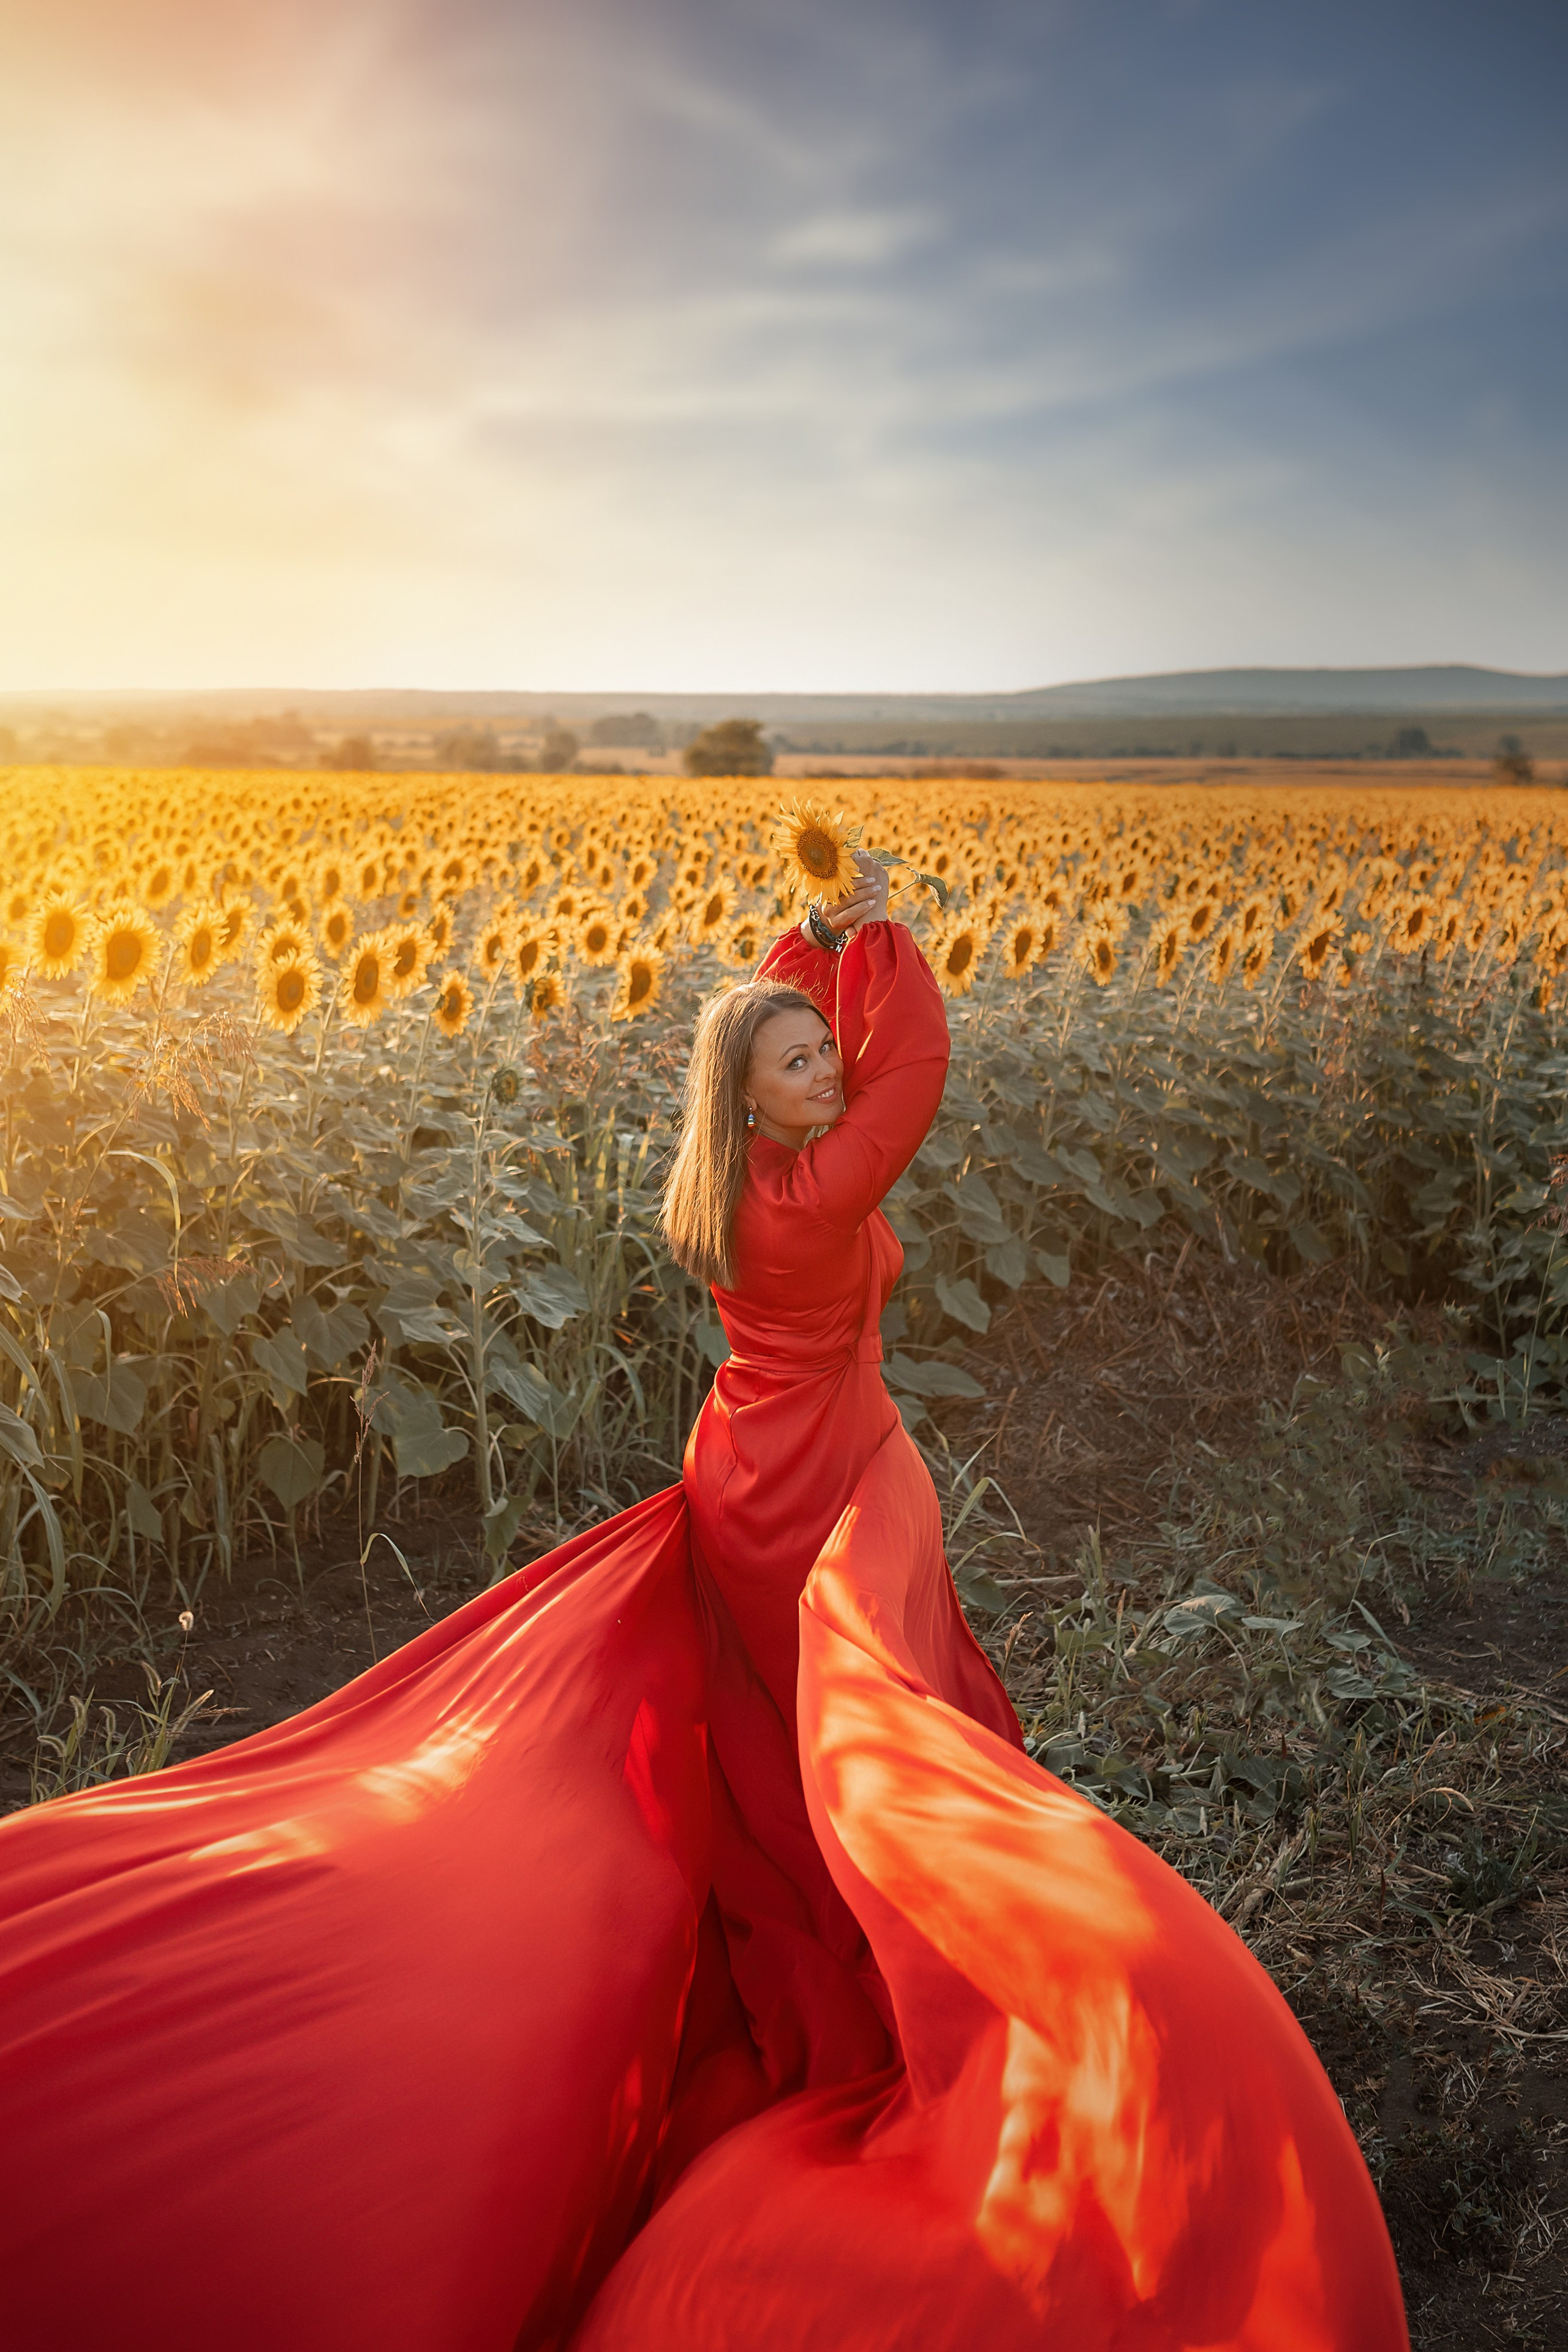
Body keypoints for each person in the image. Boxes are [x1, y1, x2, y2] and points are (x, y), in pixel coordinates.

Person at [0, 855, 1408, 2350]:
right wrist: (892, 942)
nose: (827, 1065)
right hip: (816, 1484)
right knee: (873, 1724)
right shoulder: (811, 1191)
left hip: (752, 1461)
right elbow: (914, 1067)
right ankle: (918, 1947)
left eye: (818, 1053)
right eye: (800, 1062)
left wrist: (814, 943)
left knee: (773, 1721)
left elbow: (792, 1036)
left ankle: (826, 1919)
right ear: (758, 1104)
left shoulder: (736, 1173)